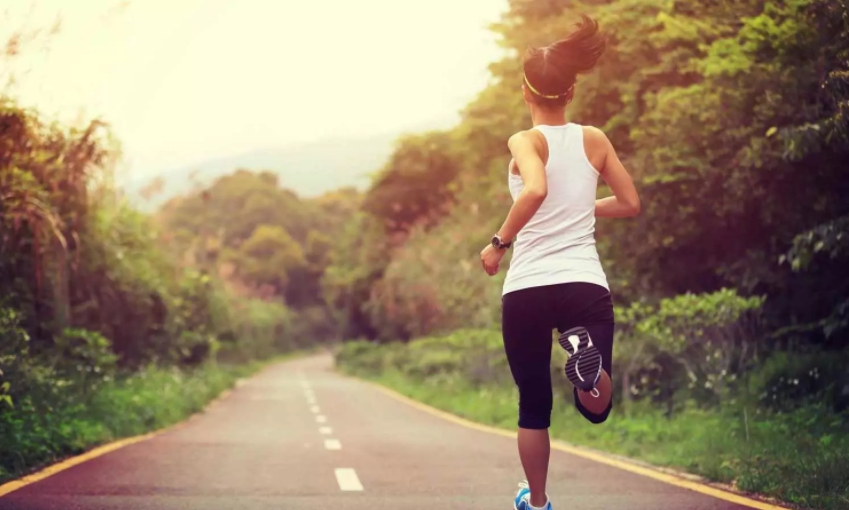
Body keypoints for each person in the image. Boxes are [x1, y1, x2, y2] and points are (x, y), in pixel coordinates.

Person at [478, 14, 641, 510]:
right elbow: (630, 203)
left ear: (526, 95)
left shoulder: (524, 141)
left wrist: (498, 244)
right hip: (583, 284)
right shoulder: (594, 138)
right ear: (570, 93)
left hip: (527, 287)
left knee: (534, 406)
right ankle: (588, 372)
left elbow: (535, 188)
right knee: (596, 409)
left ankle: (540, 501)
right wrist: (582, 209)